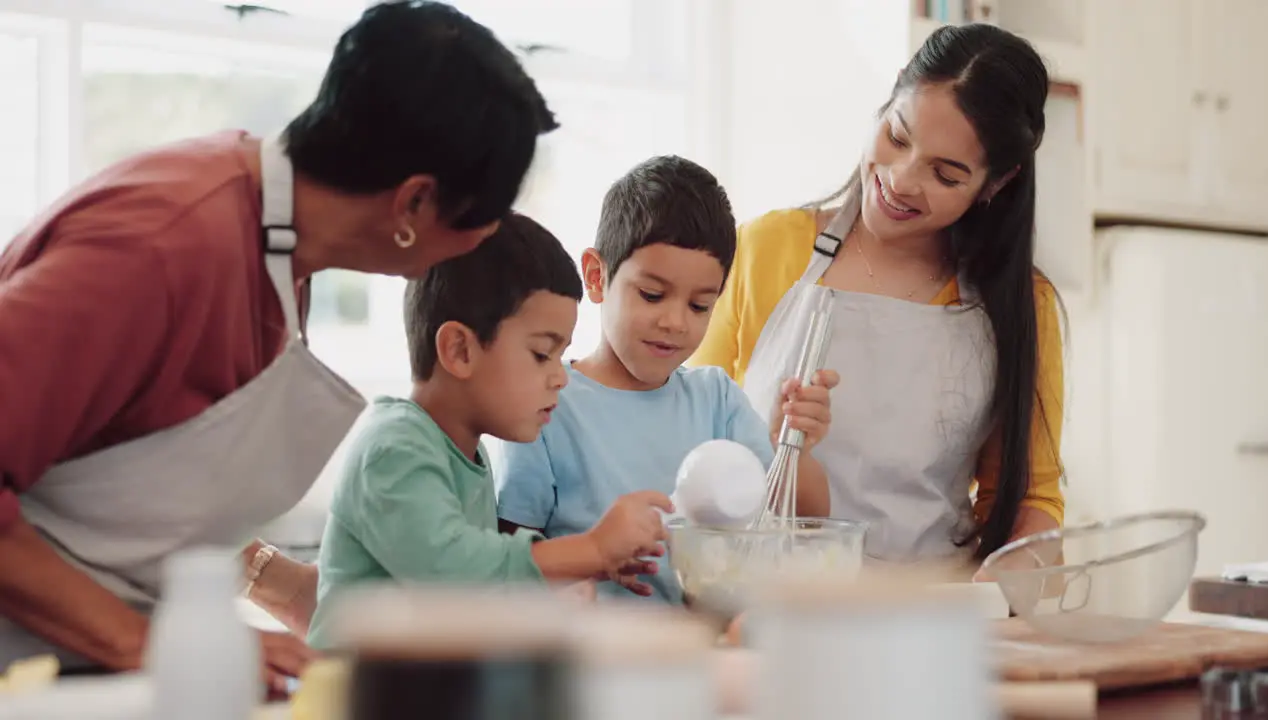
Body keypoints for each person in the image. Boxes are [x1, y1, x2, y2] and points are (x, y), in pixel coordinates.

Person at [0, 0, 556, 686]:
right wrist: (149, 644)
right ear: (413, 203)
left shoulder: (281, 251)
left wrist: (287, 608)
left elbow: (139, 504)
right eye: (488, 216)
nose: (488, 237)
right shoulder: (161, 244)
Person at [688, 23, 1066, 572]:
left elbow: (1034, 499)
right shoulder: (765, 248)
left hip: (931, 611)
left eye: (946, 174)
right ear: (889, 97)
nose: (902, 180)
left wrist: (1002, 590)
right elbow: (691, 438)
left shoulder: (1023, 306)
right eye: (898, 136)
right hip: (769, 600)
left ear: (996, 183)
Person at [306, 213, 673, 649]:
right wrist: (590, 550)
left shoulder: (464, 455)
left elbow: (475, 600)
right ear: (460, 350)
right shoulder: (394, 448)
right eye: (542, 354)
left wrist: (581, 571)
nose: (561, 377)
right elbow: (453, 573)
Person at [492, 156, 837, 605]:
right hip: (593, 654)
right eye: (652, 295)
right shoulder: (546, 404)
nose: (675, 322)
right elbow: (512, 559)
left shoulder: (717, 400)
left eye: (699, 306)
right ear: (597, 277)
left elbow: (794, 525)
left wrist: (796, 449)